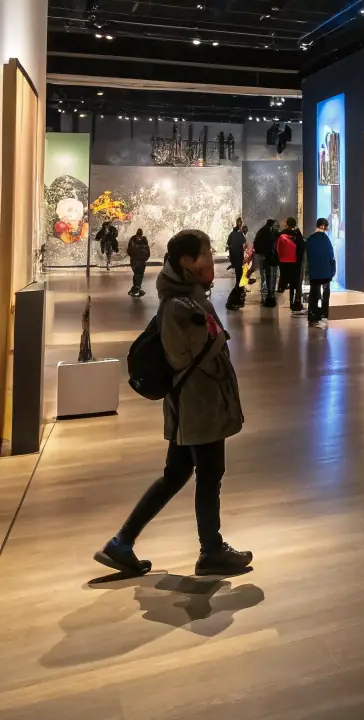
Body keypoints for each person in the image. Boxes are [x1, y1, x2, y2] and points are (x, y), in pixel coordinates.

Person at [93, 229, 252, 577]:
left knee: (176, 474)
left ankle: (122, 543)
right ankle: (211, 551)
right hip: (199, 407)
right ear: (186, 263)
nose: (211, 259)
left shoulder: (190, 299)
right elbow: (196, 358)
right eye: (204, 254)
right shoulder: (182, 307)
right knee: (210, 475)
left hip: (191, 408)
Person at [305, 217, 336, 328]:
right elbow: (331, 256)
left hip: (314, 273)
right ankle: (324, 313)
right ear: (324, 226)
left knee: (314, 294)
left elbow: (306, 257)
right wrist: (332, 271)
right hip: (325, 273)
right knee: (325, 292)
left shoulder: (310, 239)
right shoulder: (326, 240)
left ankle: (313, 316)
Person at [276, 217, 305, 314]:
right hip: (295, 262)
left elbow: (278, 248)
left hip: (284, 262)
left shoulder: (282, 234)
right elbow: (301, 248)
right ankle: (297, 302)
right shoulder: (298, 235)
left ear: (287, 224)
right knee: (296, 283)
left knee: (287, 281)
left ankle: (291, 302)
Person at [252, 218, 279, 307]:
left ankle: (267, 295)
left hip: (264, 256)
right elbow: (271, 243)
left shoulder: (263, 231)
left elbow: (256, 242)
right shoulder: (268, 232)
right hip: (267, 257)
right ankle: (269, 295)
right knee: (268, 276)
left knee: (265, 275)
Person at [126, 228, 150, 298]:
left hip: (134, 260)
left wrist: (133, 256)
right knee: (140, 274)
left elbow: (129, 250)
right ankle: (136, 289)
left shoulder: (133, 239)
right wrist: (145, 258)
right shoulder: (144, 239)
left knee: (136, 274)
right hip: (142, 261)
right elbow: (147, 250)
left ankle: (136, 288)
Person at [227, 220, 246, 292]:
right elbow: (244, 241)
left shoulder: (231, 234)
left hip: (234, 254)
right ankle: (240, 284)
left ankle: (238, 283)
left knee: (237, 269)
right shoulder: (240, 234)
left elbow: (228, 243)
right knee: (240, 269)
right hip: (239, 253)